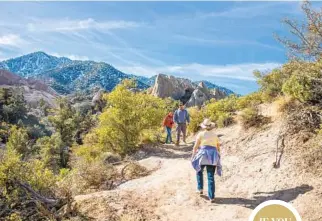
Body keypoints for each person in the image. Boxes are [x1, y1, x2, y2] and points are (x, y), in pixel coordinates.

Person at [191, 118, 222, 203]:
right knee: (210, 176)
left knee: (199, 170)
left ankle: (200, 188)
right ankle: (211, 197)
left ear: (204, 127)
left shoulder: (200, 134)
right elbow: (218, 147)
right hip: (212, 156)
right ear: (211, 127)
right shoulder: (215, 135)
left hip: (203, 155)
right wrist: (218, 156)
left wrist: (193, 154)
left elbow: (196, 146)